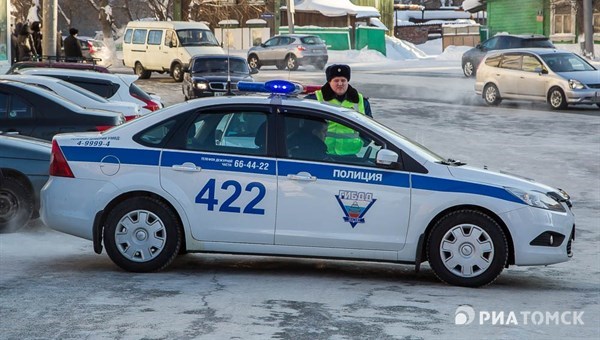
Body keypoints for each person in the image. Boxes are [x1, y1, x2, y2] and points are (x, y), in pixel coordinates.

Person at [306, 64, 372, 156]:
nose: (340, 84)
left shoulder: (361, 101)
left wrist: (362, 142)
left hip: (350, 154)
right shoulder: (315, 99)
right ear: (329, 81)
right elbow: (304, 127)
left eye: (343, 80)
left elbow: (369, 129)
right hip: (321, 153)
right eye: (336, 80)